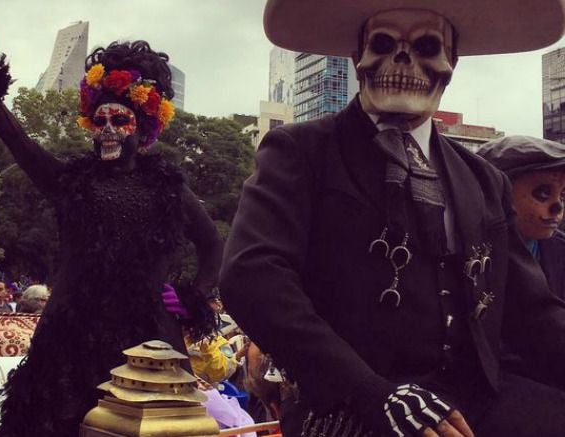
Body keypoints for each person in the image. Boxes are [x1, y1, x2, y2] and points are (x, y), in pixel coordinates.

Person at [220, 1, 565, 437]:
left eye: (426, 47)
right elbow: (251, 275)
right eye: (382, 44)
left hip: (472, 400)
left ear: (451, 64)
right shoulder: (302, 151)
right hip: (348, 402)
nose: (403, 61)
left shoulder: (483, 179)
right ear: (356, 58)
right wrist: (369, 391)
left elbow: (531, 312)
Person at [0, 29, 222, 436]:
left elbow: (213, 246)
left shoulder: (169, 188)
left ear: (144, 126)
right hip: (70, 340)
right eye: (100, 120)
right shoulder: (70, 181)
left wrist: (194, 296)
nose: (108, 129)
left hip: (150, 342)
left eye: (120, 119)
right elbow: (20, 143)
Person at [477, 136, 565, 299]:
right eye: (544, 192)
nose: (558, 208)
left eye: (563, 195)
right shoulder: (469, 251)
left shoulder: (559, 250)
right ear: (497, 192)